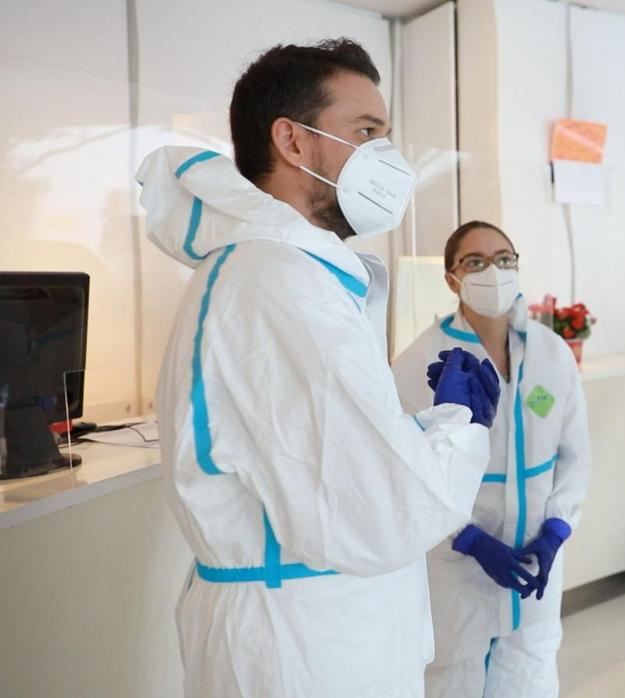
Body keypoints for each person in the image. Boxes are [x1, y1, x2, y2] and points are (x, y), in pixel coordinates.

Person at [137, 39, 500, 697]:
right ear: (293, 142)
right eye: (367, 132)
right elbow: (380, 513)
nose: (387, 158)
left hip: (312, 629)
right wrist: (457, 425)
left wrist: (417, 431)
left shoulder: (280, 274)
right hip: (306, 648)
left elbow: (330, 472)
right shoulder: (277, 284)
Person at [392, 221, 591, 697]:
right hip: (458, 566)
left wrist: (556, 531)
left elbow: (576, 453)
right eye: (475, 262)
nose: (494, 271)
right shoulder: (420, 360)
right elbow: (406, 475)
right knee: (452, 675)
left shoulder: (551, 352)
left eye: (504, 259)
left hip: (536, 555)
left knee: (532, 670)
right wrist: (471, 541)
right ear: (451, 279)